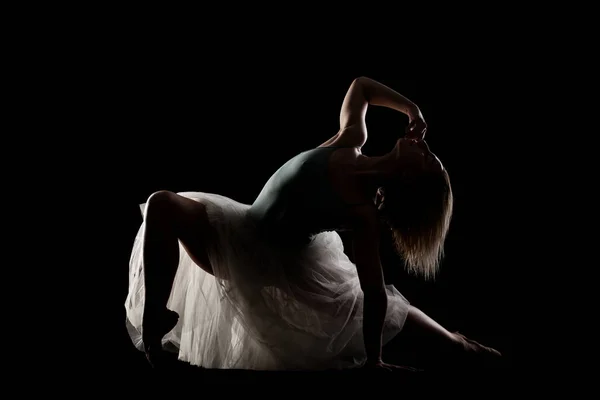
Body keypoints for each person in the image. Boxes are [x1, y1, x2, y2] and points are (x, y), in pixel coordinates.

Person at [124, 76, 501, 371]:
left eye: (428, 158)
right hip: (238, 223)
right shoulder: (351, 138)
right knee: (161, 204)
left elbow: (373, 294)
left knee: (376, 304)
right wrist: (412, 108)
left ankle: (458, 344)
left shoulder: (361, 211)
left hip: (256, 260)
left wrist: (374, 360)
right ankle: (156, 320)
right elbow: (361, 87)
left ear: (410, 180)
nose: (425, 146)